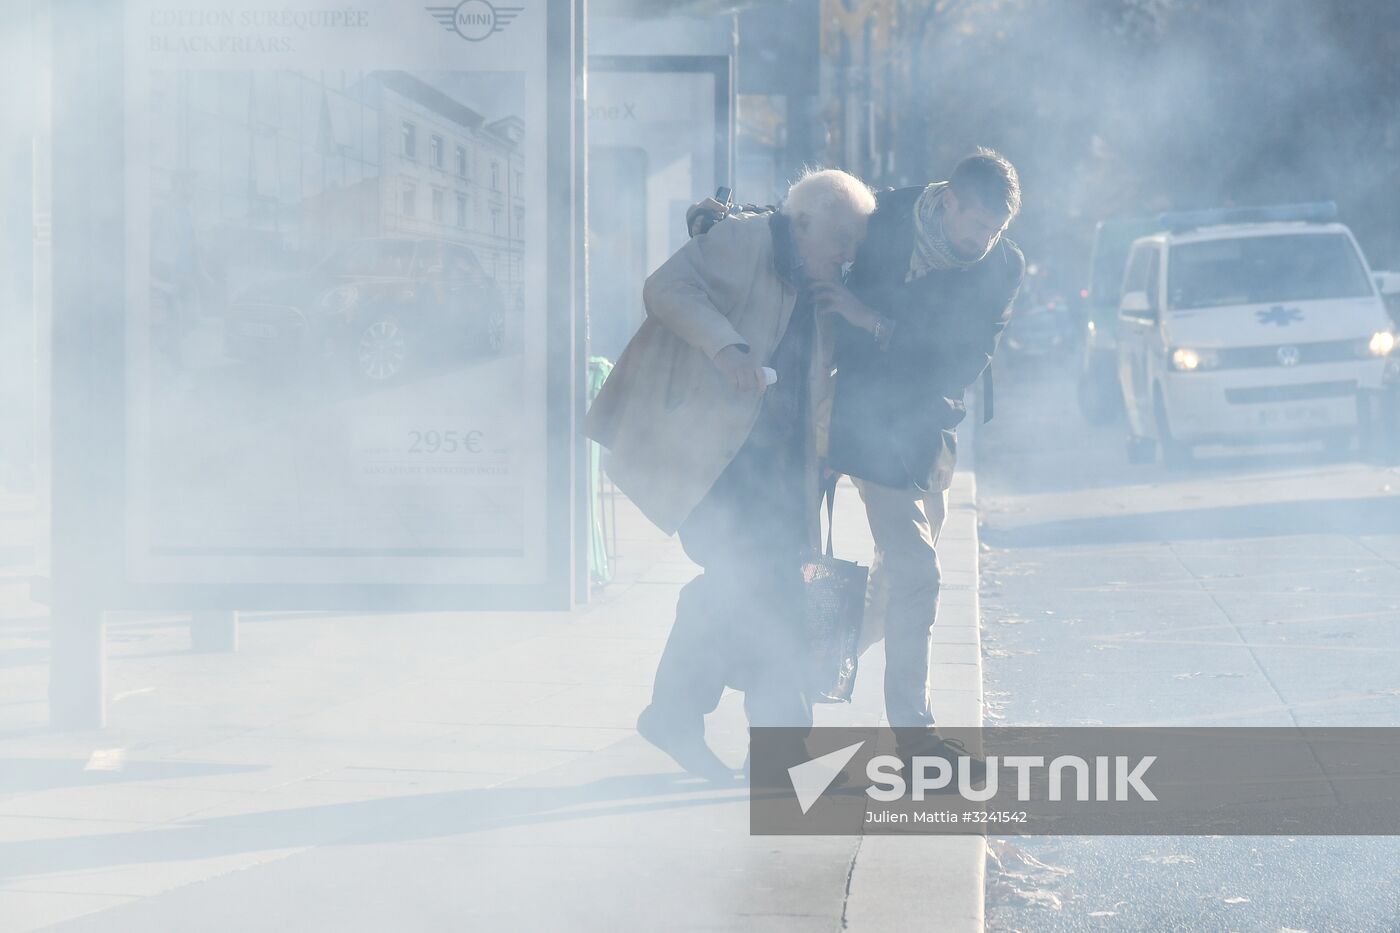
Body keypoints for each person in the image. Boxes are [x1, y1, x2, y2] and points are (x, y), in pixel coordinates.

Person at [687, 149, 1023, 767]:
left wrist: (871, 320)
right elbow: (809, 230)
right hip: (850, 415)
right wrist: (731, 222)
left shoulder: (1003, 264)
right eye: (976, 224)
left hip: (922, 428)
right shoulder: (887, 212)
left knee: (893, 588)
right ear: (947, 198)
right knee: (912, 572)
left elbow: (962, 362)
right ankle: (911, 735)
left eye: (994, 230)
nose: (983, 240)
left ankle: (814, 666)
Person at [587, 169, 877, 780]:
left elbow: (814, 383)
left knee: (766, 589)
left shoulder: (821, 283)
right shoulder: (746, 241)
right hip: (718, 462)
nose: (849, 254)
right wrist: (725, 346)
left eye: (856, 242)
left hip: (779, 471)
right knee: (751, 584)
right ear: (803, 223)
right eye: (841, 238)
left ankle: (719, 728)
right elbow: (666, 288)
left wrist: (824, 454)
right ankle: (753, 737)